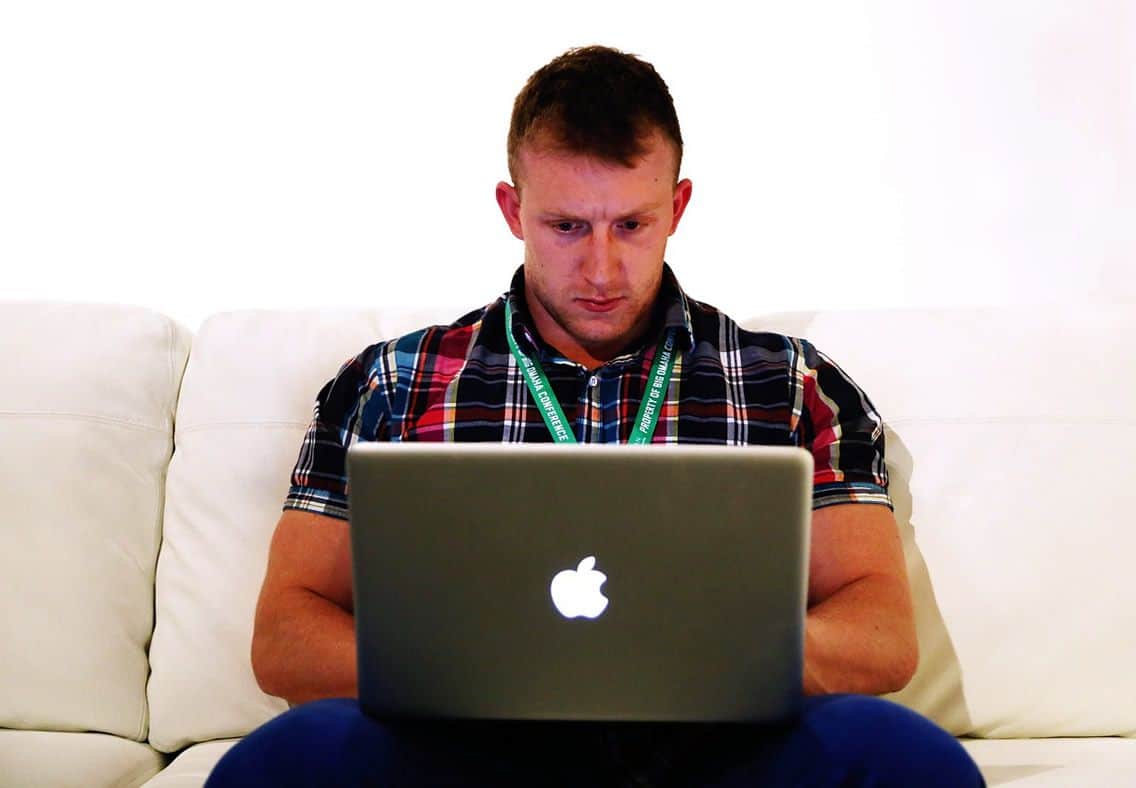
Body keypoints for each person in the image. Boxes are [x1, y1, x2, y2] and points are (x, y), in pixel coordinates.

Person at [208, 46, 984, 787]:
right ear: (514, 210)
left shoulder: (792, 382)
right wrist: (481, 667)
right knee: (273, 765)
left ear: (677, 206)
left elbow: (881, 633)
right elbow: (285, 636)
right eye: (567, 226)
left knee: (912, 761)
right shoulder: (392, 382)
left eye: (632, 225)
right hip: (465, 756)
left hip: (715, 757)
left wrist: (711, 657)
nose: (602, 268)